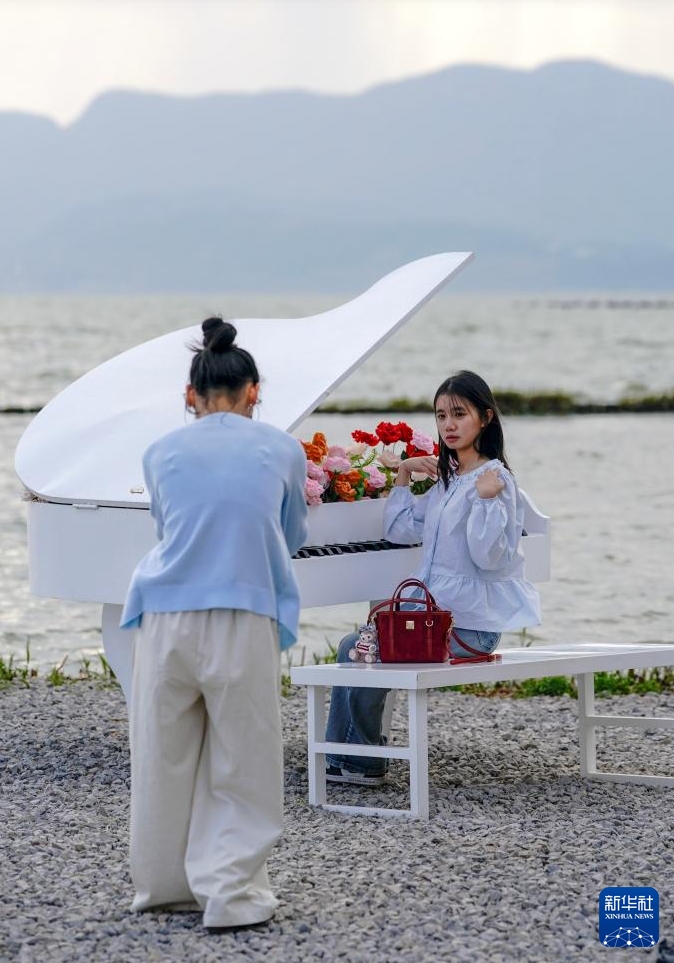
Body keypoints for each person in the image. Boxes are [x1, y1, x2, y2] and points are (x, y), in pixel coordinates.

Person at [120, 318, 308, 931]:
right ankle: (230, 895)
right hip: (241, 614)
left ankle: (163, 887)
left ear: (190, 394)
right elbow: (290, 534)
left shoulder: (159, 453)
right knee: (242, 759)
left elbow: (168, 528)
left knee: (162, 756)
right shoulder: (283, 449)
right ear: (254, 391)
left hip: (164, 615)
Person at [325, 370, 541, 786]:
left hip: (470, 626)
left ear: (486, 418)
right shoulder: (450, 479)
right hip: (435, 618)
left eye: (459, 414)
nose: (449, 425)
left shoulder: (495, 481)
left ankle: (363, 762)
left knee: (365, 649)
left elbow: (490, 556)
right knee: (354, 645)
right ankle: (348, 759)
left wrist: (486, 499)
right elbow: (400, 529)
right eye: (441, 416)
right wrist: (405, 472)